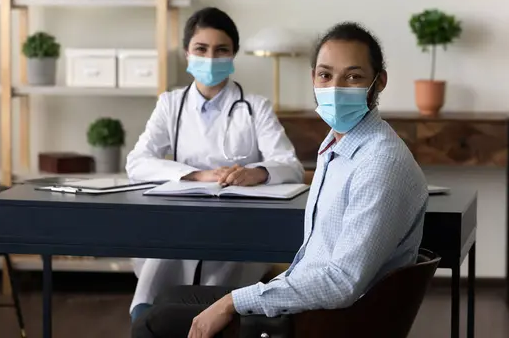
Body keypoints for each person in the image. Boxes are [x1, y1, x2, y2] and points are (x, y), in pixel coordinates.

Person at [131, 22, 429, 338]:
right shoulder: (337, 144)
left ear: (379, 82)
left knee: (155, 322)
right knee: (167, 298)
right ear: (313, 78)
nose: (336, 88)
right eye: (325, 75)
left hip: (327, 321)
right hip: (311, 299)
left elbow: (340, 283)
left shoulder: (379, 163)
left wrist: (234, 302)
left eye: (353, 76)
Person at [125, 7, 304, 322]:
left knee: (220, 307)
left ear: (233, 55)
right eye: (201, 49)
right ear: (187, 54)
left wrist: (257, 173)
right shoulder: (170, 104)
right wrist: (196, 175)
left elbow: (290, 165)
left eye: (221, 50)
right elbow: (138, 162)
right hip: (179, 221)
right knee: (153, 295)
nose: (210, 58)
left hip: (238, 223)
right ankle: (146, 321)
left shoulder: (255, 107)